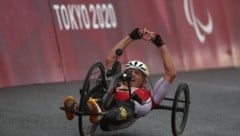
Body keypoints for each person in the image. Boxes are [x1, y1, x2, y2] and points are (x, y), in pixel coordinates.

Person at [63, 27, 176, 125]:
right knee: (105, 83)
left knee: (126, 106)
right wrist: (133, 35)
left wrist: (159, 43)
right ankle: (76, 107)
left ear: (144, 82)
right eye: (130, 71)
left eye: (137, 73)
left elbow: (171, 73)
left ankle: (100, 114)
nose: (132, 74)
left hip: (129, 108)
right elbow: (109, 59)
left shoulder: (151, 95)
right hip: (109, 100)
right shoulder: (117, 84)